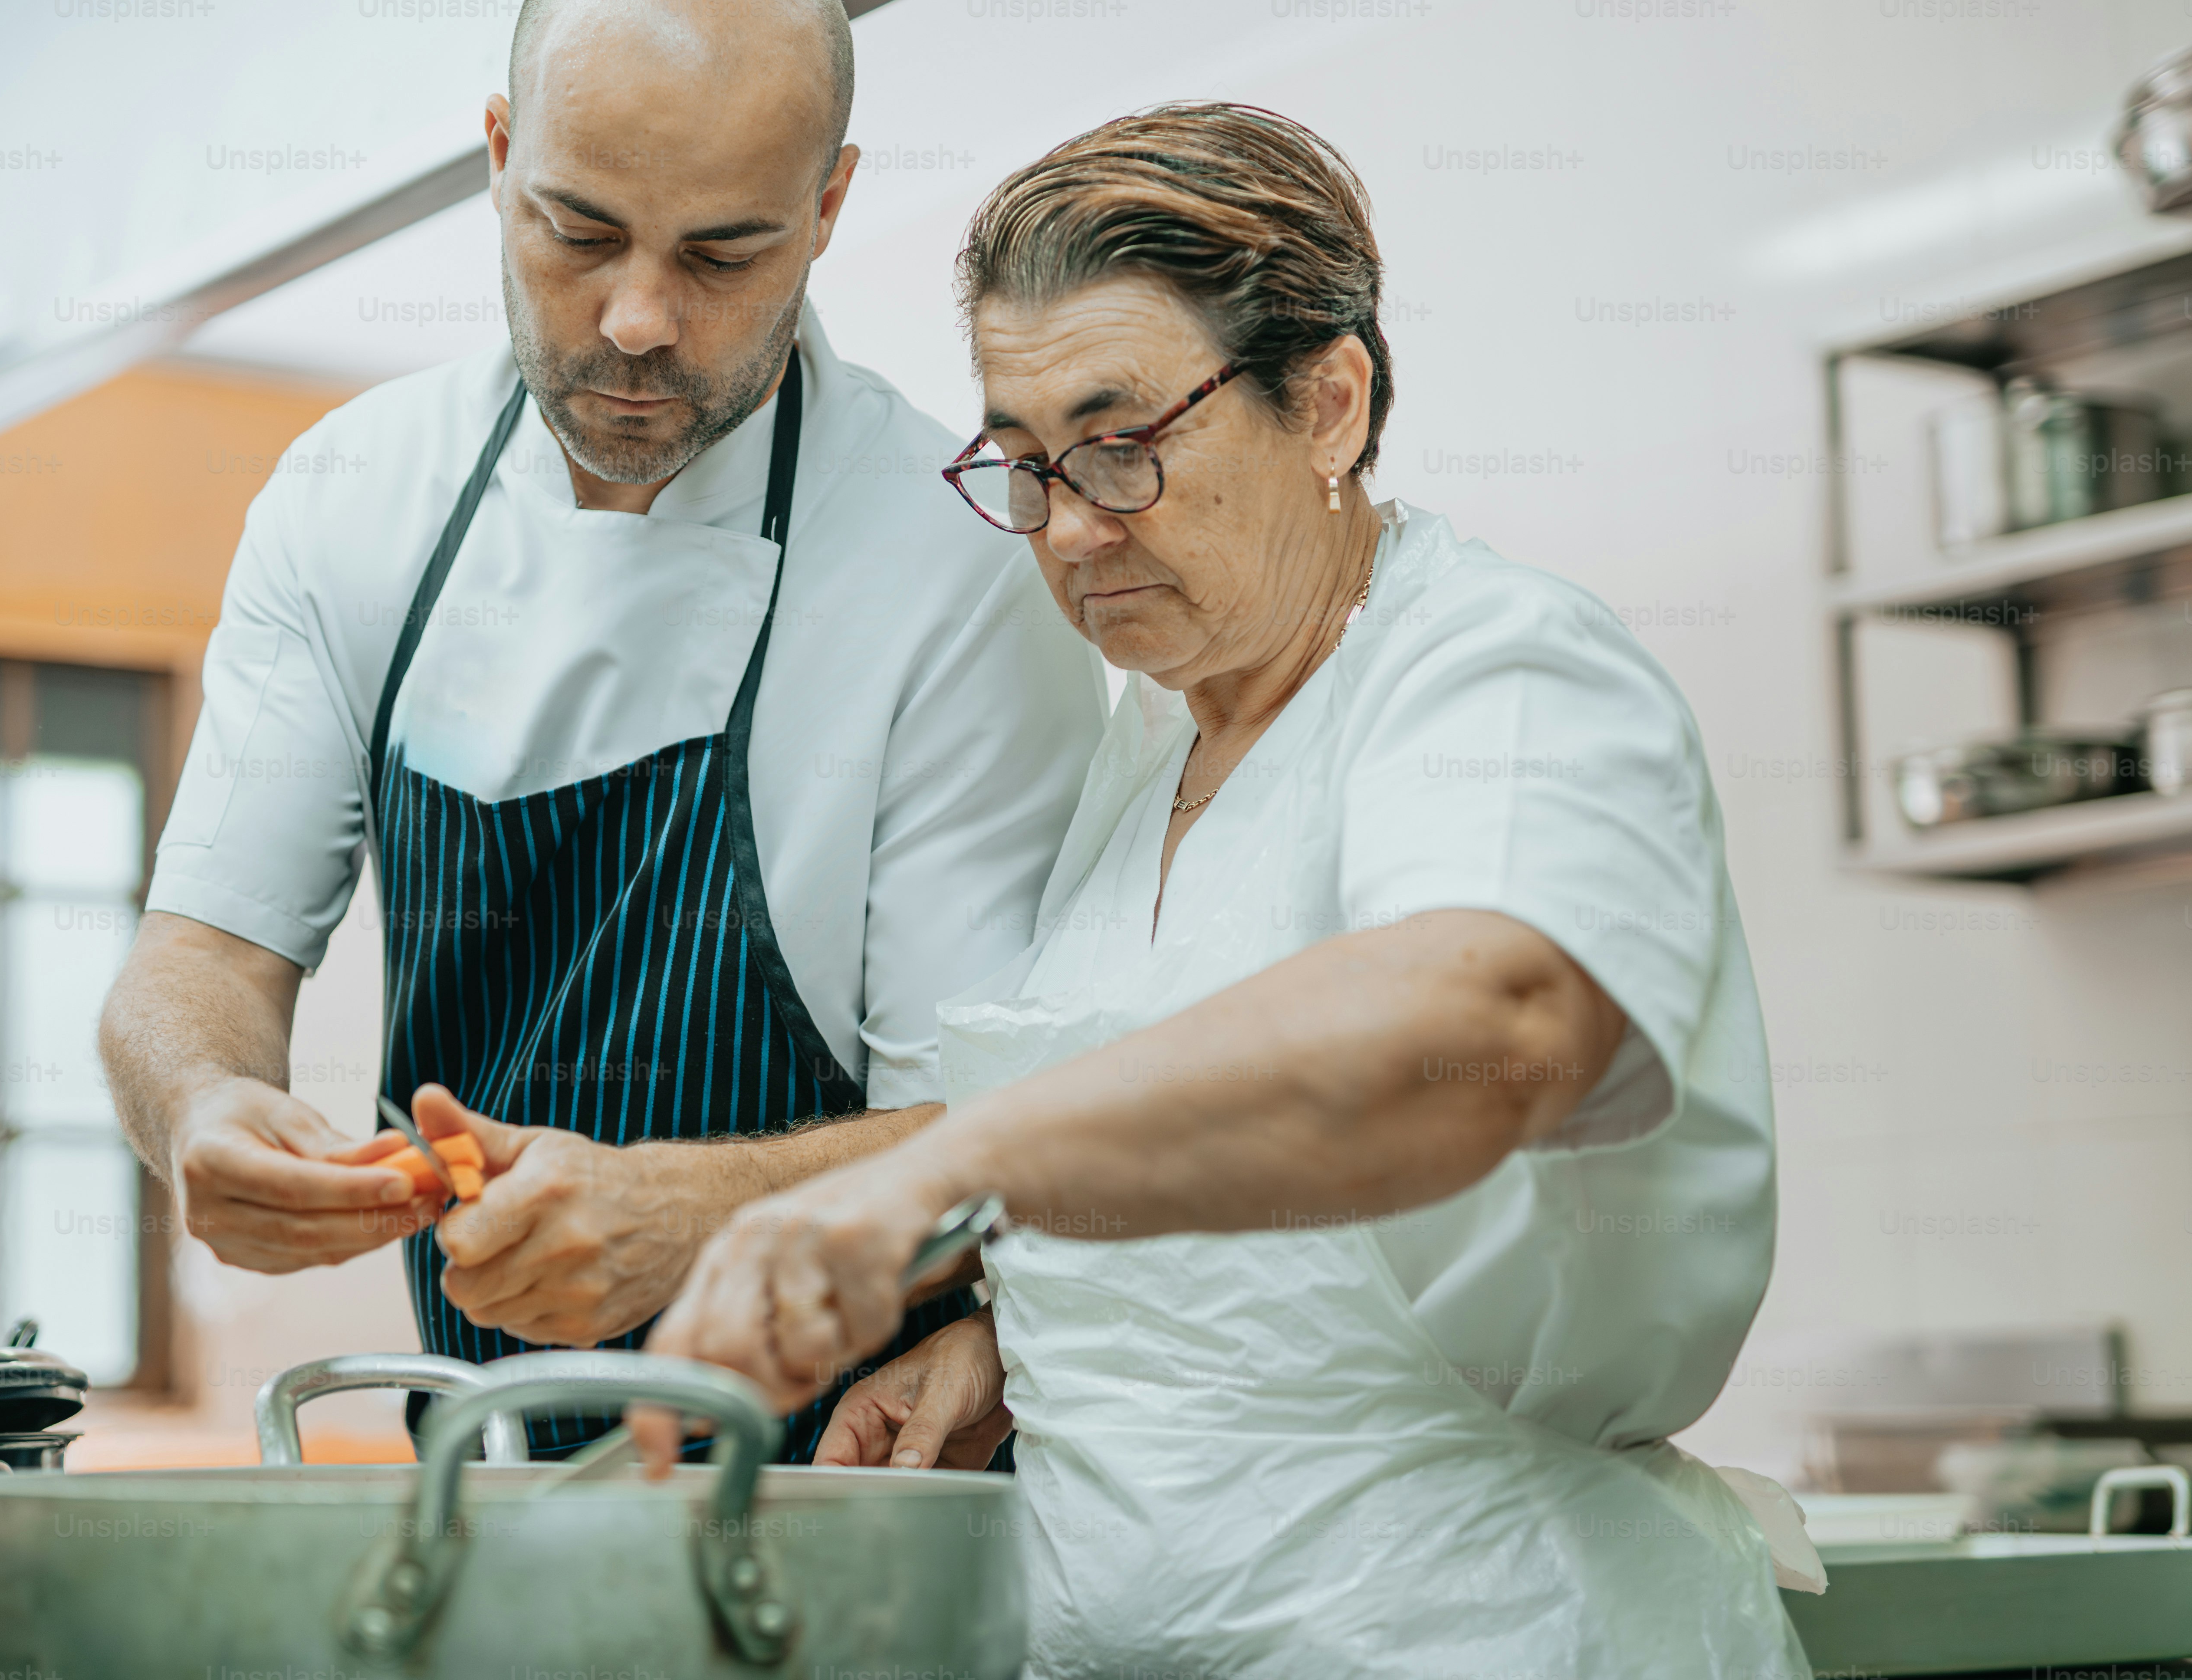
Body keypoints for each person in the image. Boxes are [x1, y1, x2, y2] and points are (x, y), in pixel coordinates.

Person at [644, 103, 1807, 1674]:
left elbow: (1482, 1028)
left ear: (1329, 404)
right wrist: (1037, 1343)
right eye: (1027, 464)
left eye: (1123, 448)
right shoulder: (1149, 762)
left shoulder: (1499, 669)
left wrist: (935, 1178)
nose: (1066, 529)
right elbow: (1274, 1235)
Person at [97, 0, 1106, 1460]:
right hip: (490, 1488)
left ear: (830, 206)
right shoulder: (353, 495)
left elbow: (1003, 1142)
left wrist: (684, 1210)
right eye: (575, 233)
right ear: (498, 152)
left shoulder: (957, 559)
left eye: (723, 253)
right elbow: (200, 964)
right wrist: (205, 1111)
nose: (639, 321)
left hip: (856, 1509)